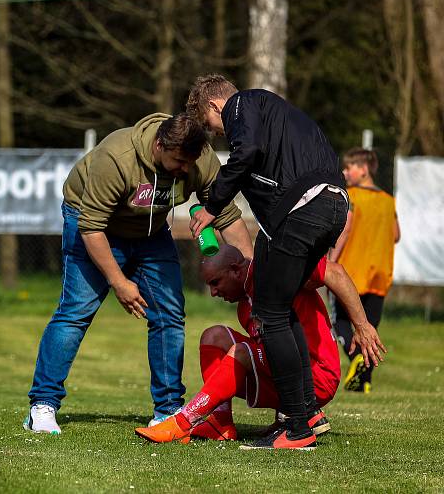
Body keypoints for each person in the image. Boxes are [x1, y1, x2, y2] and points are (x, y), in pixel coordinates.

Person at [186, 75, 386, 449]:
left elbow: (245, 153)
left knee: (270, 312)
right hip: (331, 204)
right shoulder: (277, 114)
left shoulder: (242, 105)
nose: (215, 133)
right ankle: (306, 412)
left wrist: (213, 206)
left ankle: (297, 427)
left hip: (304, 207)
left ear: (215, 105)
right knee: (282, 305)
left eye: (210, 124)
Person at [24, 112, 253, 435]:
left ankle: (168, 410)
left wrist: (251, 273)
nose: (185, 169)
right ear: (159, 146)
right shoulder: (117, 158)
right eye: (178, 161)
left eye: (189, 162)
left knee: (170, 314)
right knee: (76, 311)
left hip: (151, 231)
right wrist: (119, 282)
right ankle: (42, 406)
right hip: (92, 225)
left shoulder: (198, 158)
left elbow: (228, 216)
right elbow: (91, 227)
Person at [134, 245, 381, 449]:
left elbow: (335, 272)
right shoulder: (244, 304)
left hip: (318, 377)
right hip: (289, 373)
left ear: (236, 270)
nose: (213, 292)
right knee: (214, 336)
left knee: (242, 352)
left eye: (216, 282)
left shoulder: (274, 271)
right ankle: (221, 423)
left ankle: (183, 421)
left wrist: (362, 325)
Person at [328, 148, 400, 393]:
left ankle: (357, 360)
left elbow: (345, 230)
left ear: (364, 169)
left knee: (339, 322)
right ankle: (363, 382)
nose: (345, 172)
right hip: (379, 274)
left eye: (350, 168)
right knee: (370, 328)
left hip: (351, 273)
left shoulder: (351, 196)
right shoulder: (389, 201)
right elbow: (396, 235)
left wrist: (330, 261)